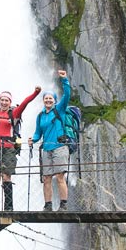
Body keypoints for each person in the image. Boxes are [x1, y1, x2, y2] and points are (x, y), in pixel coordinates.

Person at [0, 73, 40, 211]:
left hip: (8, 147)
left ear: (10, 102)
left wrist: (36, 93)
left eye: (6, 100)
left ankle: (8, 207)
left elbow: (25, 103)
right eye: (2, 100)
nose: (3, 102)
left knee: (6, 176)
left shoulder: (13, 114)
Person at [29, 69, 72, 211]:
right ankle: (48, 205)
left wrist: (64, 79)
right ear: (43, 100)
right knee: (46, 178)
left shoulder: (59, 109)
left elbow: (67, 95)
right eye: (46, 98)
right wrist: (33, 140)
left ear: (54, 100)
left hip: (60, 146)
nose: (48, 100)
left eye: (50, 98)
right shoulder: (40, 116)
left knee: (60, 176)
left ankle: (63, 205)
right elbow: (37, 133)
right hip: (46, 149)